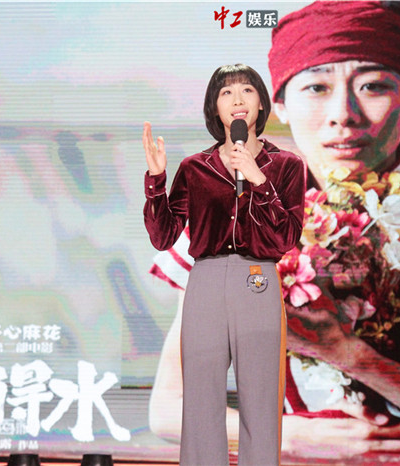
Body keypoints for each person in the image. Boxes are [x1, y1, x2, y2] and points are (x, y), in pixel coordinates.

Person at [148, 1, 400, 460]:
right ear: (278, 105)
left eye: (373, 85)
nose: (343, 114)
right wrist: (290, 435)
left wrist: (354, 356)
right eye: (316, 87)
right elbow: (168, 409)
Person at [142, 63, 306, 465]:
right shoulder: (194, 168)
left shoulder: (287, 165)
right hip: (206, 280)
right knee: (201, 399)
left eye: (247, 90)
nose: (237, 99)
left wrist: (257, 180)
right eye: (226, 92)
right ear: (214, 108)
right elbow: (163, 237)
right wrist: (157, 180)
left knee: (261, 399)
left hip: (259, 279)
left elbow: (286, 238)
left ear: (261, 103)